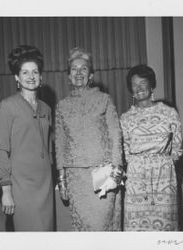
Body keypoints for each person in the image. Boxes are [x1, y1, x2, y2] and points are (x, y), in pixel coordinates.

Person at [55, 47, 123, 231]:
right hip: (76, 179)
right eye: (74, 69)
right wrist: (62, 180)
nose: (78, 73)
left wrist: (116, 174)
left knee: (102, 226)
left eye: (83, 68)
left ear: (91, 75)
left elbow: (116, 136)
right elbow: (60, 144)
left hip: (102, 174)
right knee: (84, 229)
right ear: (69, 76)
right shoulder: (62, 106)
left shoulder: (104, 99)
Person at [0, 45, 53, 231]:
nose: (31, 76)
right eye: (25, 72)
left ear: (41, 76)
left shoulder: (46, 108)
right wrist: (6, 190)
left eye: (35, 71)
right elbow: (1, 149)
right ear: (17, 78)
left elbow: (48, 147)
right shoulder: (7, 106)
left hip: (45, 182)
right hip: (20, 184)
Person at [120, 64, 183, 231]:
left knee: (164, 229)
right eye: (134, 84)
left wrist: (161, 165)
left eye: (143, 83)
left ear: (152, 84)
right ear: (130, 89)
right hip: (136, 179)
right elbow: (125, 150)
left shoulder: (169, 113)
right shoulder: (125, 118)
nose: (138, 88)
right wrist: (139, 166)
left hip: (164, 178)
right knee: (137, 227)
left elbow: (177, 148)